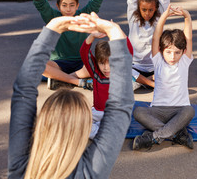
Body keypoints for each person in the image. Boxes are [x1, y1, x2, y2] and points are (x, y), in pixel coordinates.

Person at [8, 13, 134, 179]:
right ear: (82, 132)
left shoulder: (21, 167)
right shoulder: (90, 172)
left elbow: (23, 91)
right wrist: (114, 30)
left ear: (42, 125)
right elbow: (120, 106)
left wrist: (53, 26)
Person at [132, 5, 195, 150]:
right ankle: (176, 135)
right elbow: (156, 37)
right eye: (168, 52)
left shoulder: (184, 61)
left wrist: (187, 16)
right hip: (157, 111)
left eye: (177, 52)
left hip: (179, 111)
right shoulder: (158, 60)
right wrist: (164, 17)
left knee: (190, 111)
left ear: (183, 51)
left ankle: (153, 138)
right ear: (161, 50)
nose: (173, 57)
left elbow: (189, 37)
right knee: (138, 111)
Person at [33, 0, 105, 90]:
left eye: (72, 5)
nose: (68, 9)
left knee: (102, 64)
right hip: (58, 63)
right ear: (58, 6)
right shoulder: (53, 16)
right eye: (64, 5)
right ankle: (77, 82)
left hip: (81, 64)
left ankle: (62, 80)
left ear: (77, 6)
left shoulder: (83, 14)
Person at [80, 30, 133, 139]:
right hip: (97, 112)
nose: (106, 68)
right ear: (97, 62)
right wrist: (92, 35)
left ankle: (102, 131)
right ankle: (101, 131)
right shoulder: (95, 72)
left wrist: (116, 30)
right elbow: (83, 52)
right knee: (76, 122)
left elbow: (129, 50)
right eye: (102, 63)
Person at [127, 0, 171, 90]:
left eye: (151, 10)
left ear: (156, 9)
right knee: (121, 70)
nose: (147, 13)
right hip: (134, 66)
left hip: (154, 67)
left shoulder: (159, 18)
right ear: (139, 8)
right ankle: (150, 83)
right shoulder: (133, 18)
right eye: (144, 10)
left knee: (171, 73)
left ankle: (144, 81)